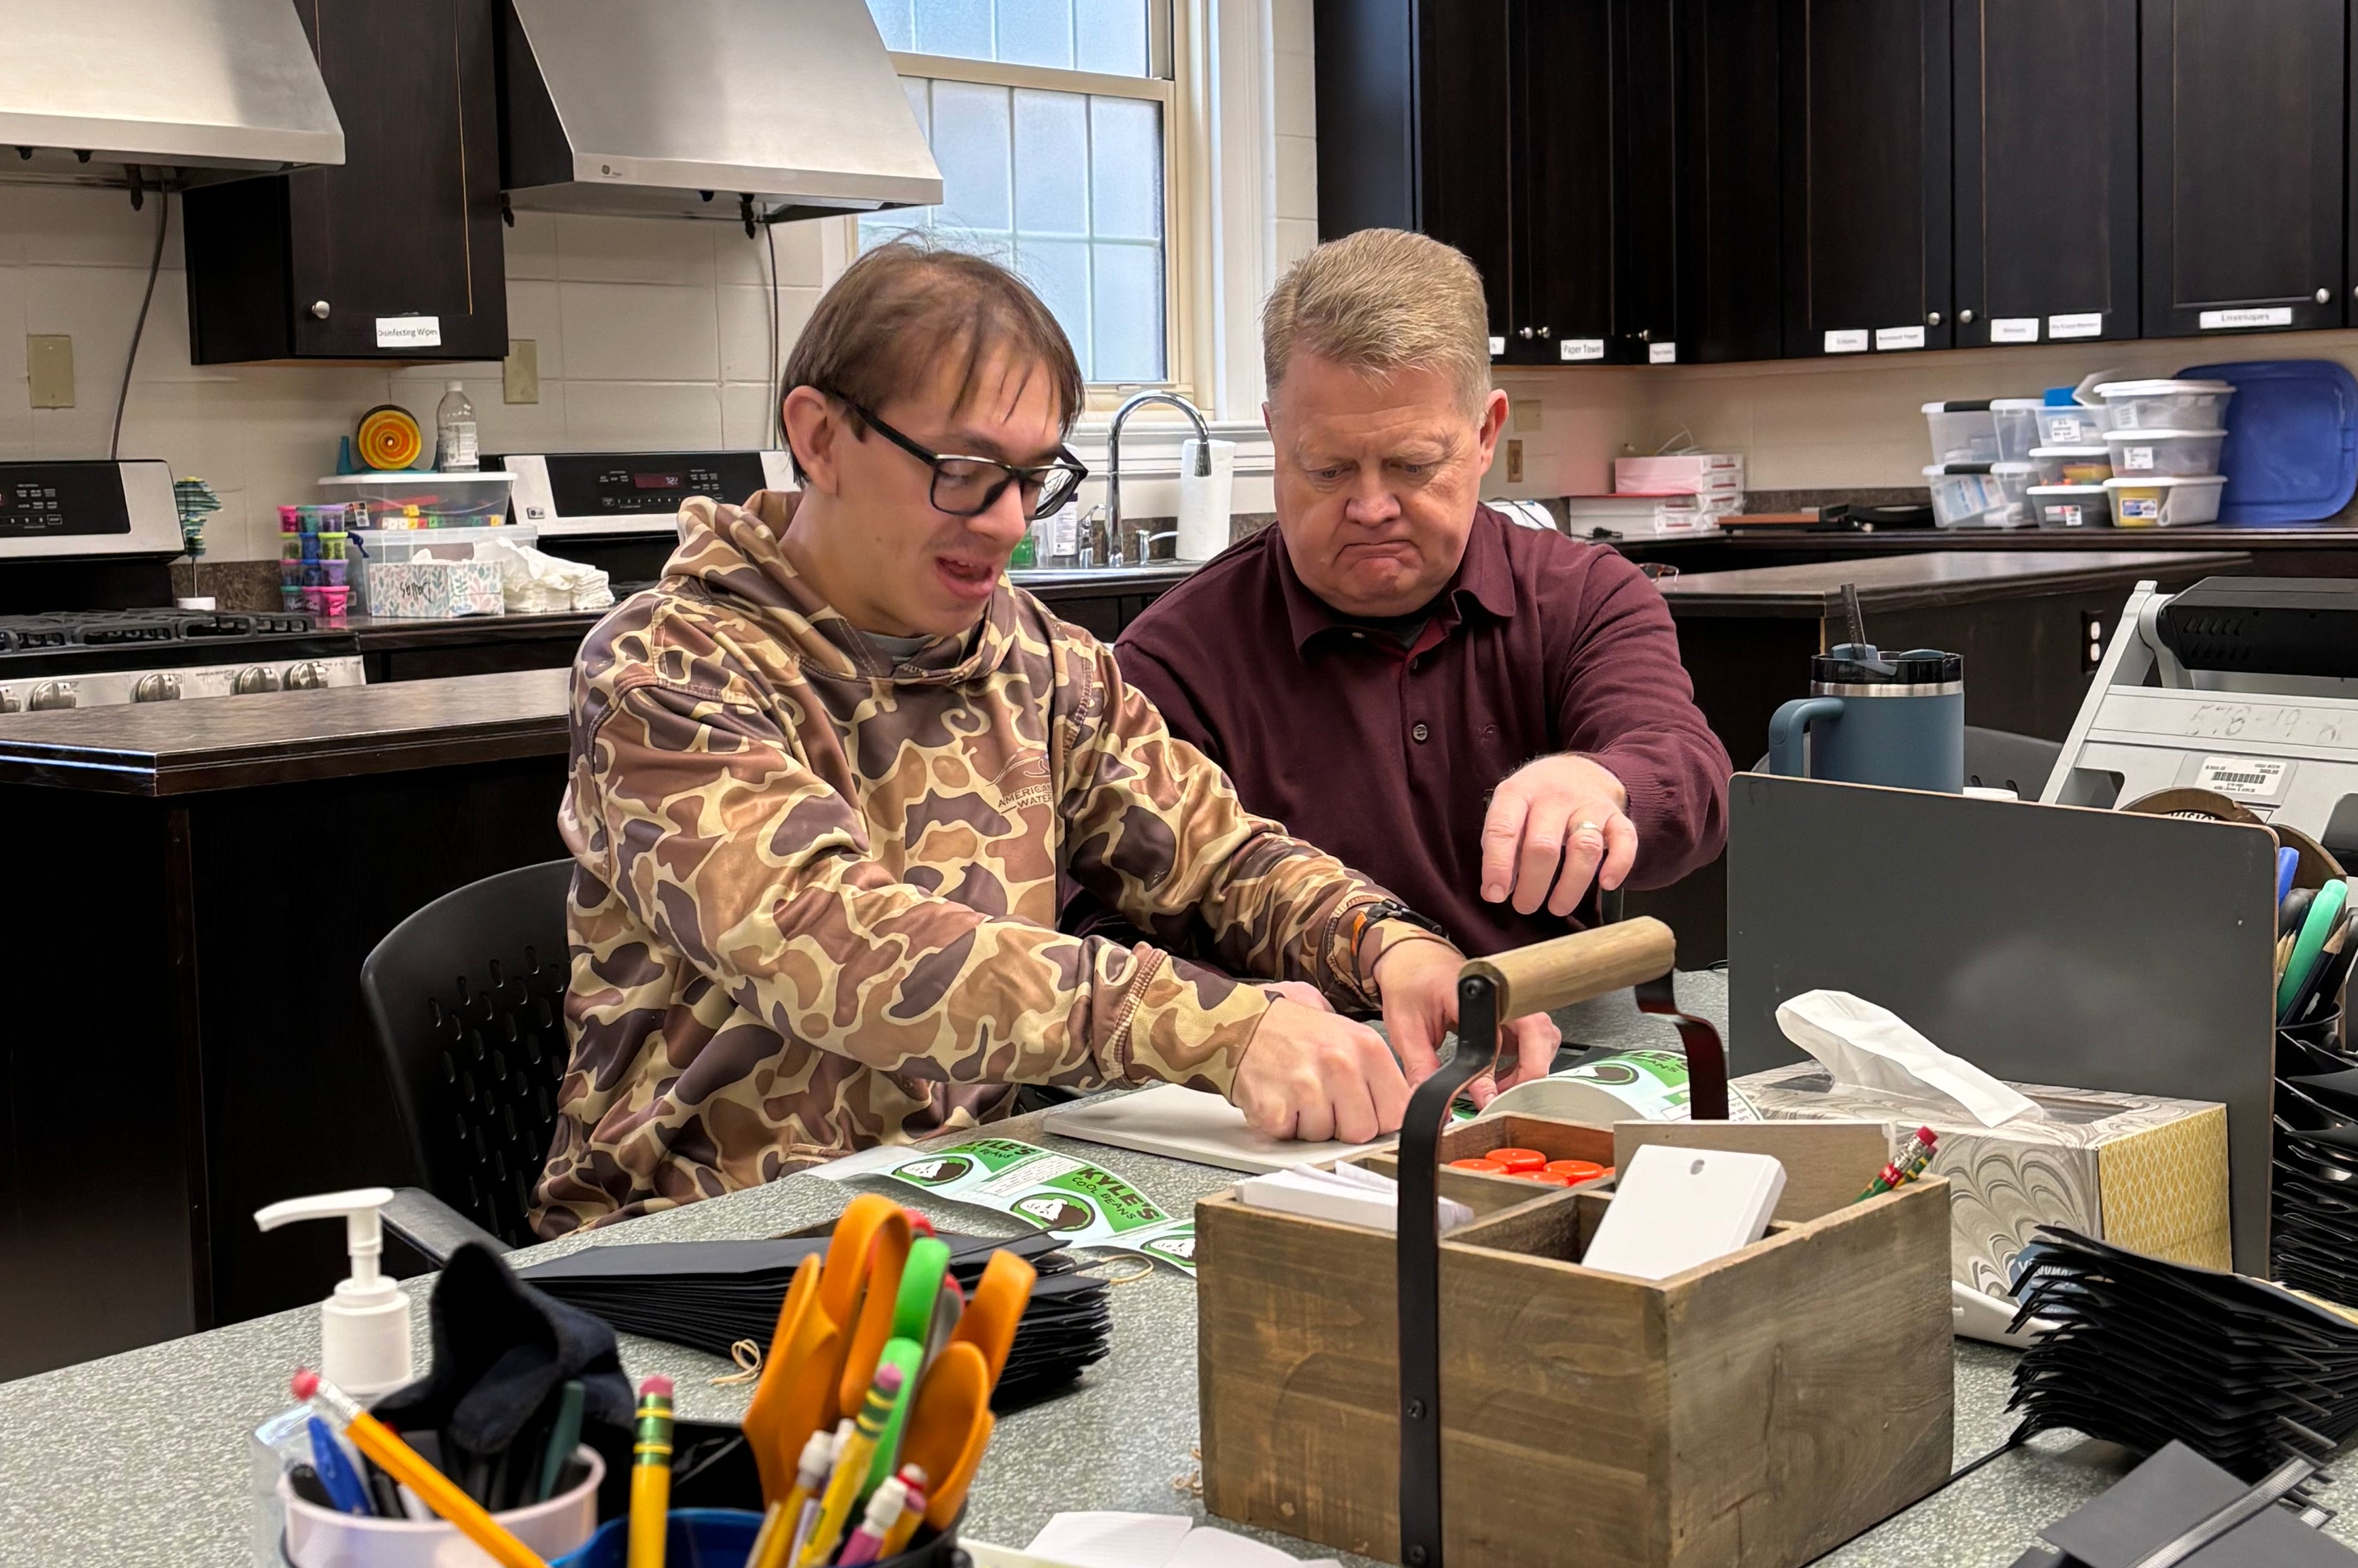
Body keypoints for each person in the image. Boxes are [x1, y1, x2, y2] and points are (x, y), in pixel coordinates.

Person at [534, 241, 1481, 1224]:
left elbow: (1215, 856)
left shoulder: (1037, 658)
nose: (1007, 523)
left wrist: (1391, 948)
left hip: (969, 1205)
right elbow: (834, 944)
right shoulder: (666, 670)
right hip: (698, 1243)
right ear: (818, 439)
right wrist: (1216, 1030)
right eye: (967, 472)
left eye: (1033, 478)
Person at [1111, 229, 1730, 1077]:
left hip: (1550, 1064)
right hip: (1294, 1087)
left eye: (1411, 463)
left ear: (1486, 433)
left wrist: (1603, 782)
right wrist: (1217, 1009)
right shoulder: (1174, 660)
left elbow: (1689, 774)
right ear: (1273, 435)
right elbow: (1099, 917)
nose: (1371, 506)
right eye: (1327, 469)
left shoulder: (1584, 596)